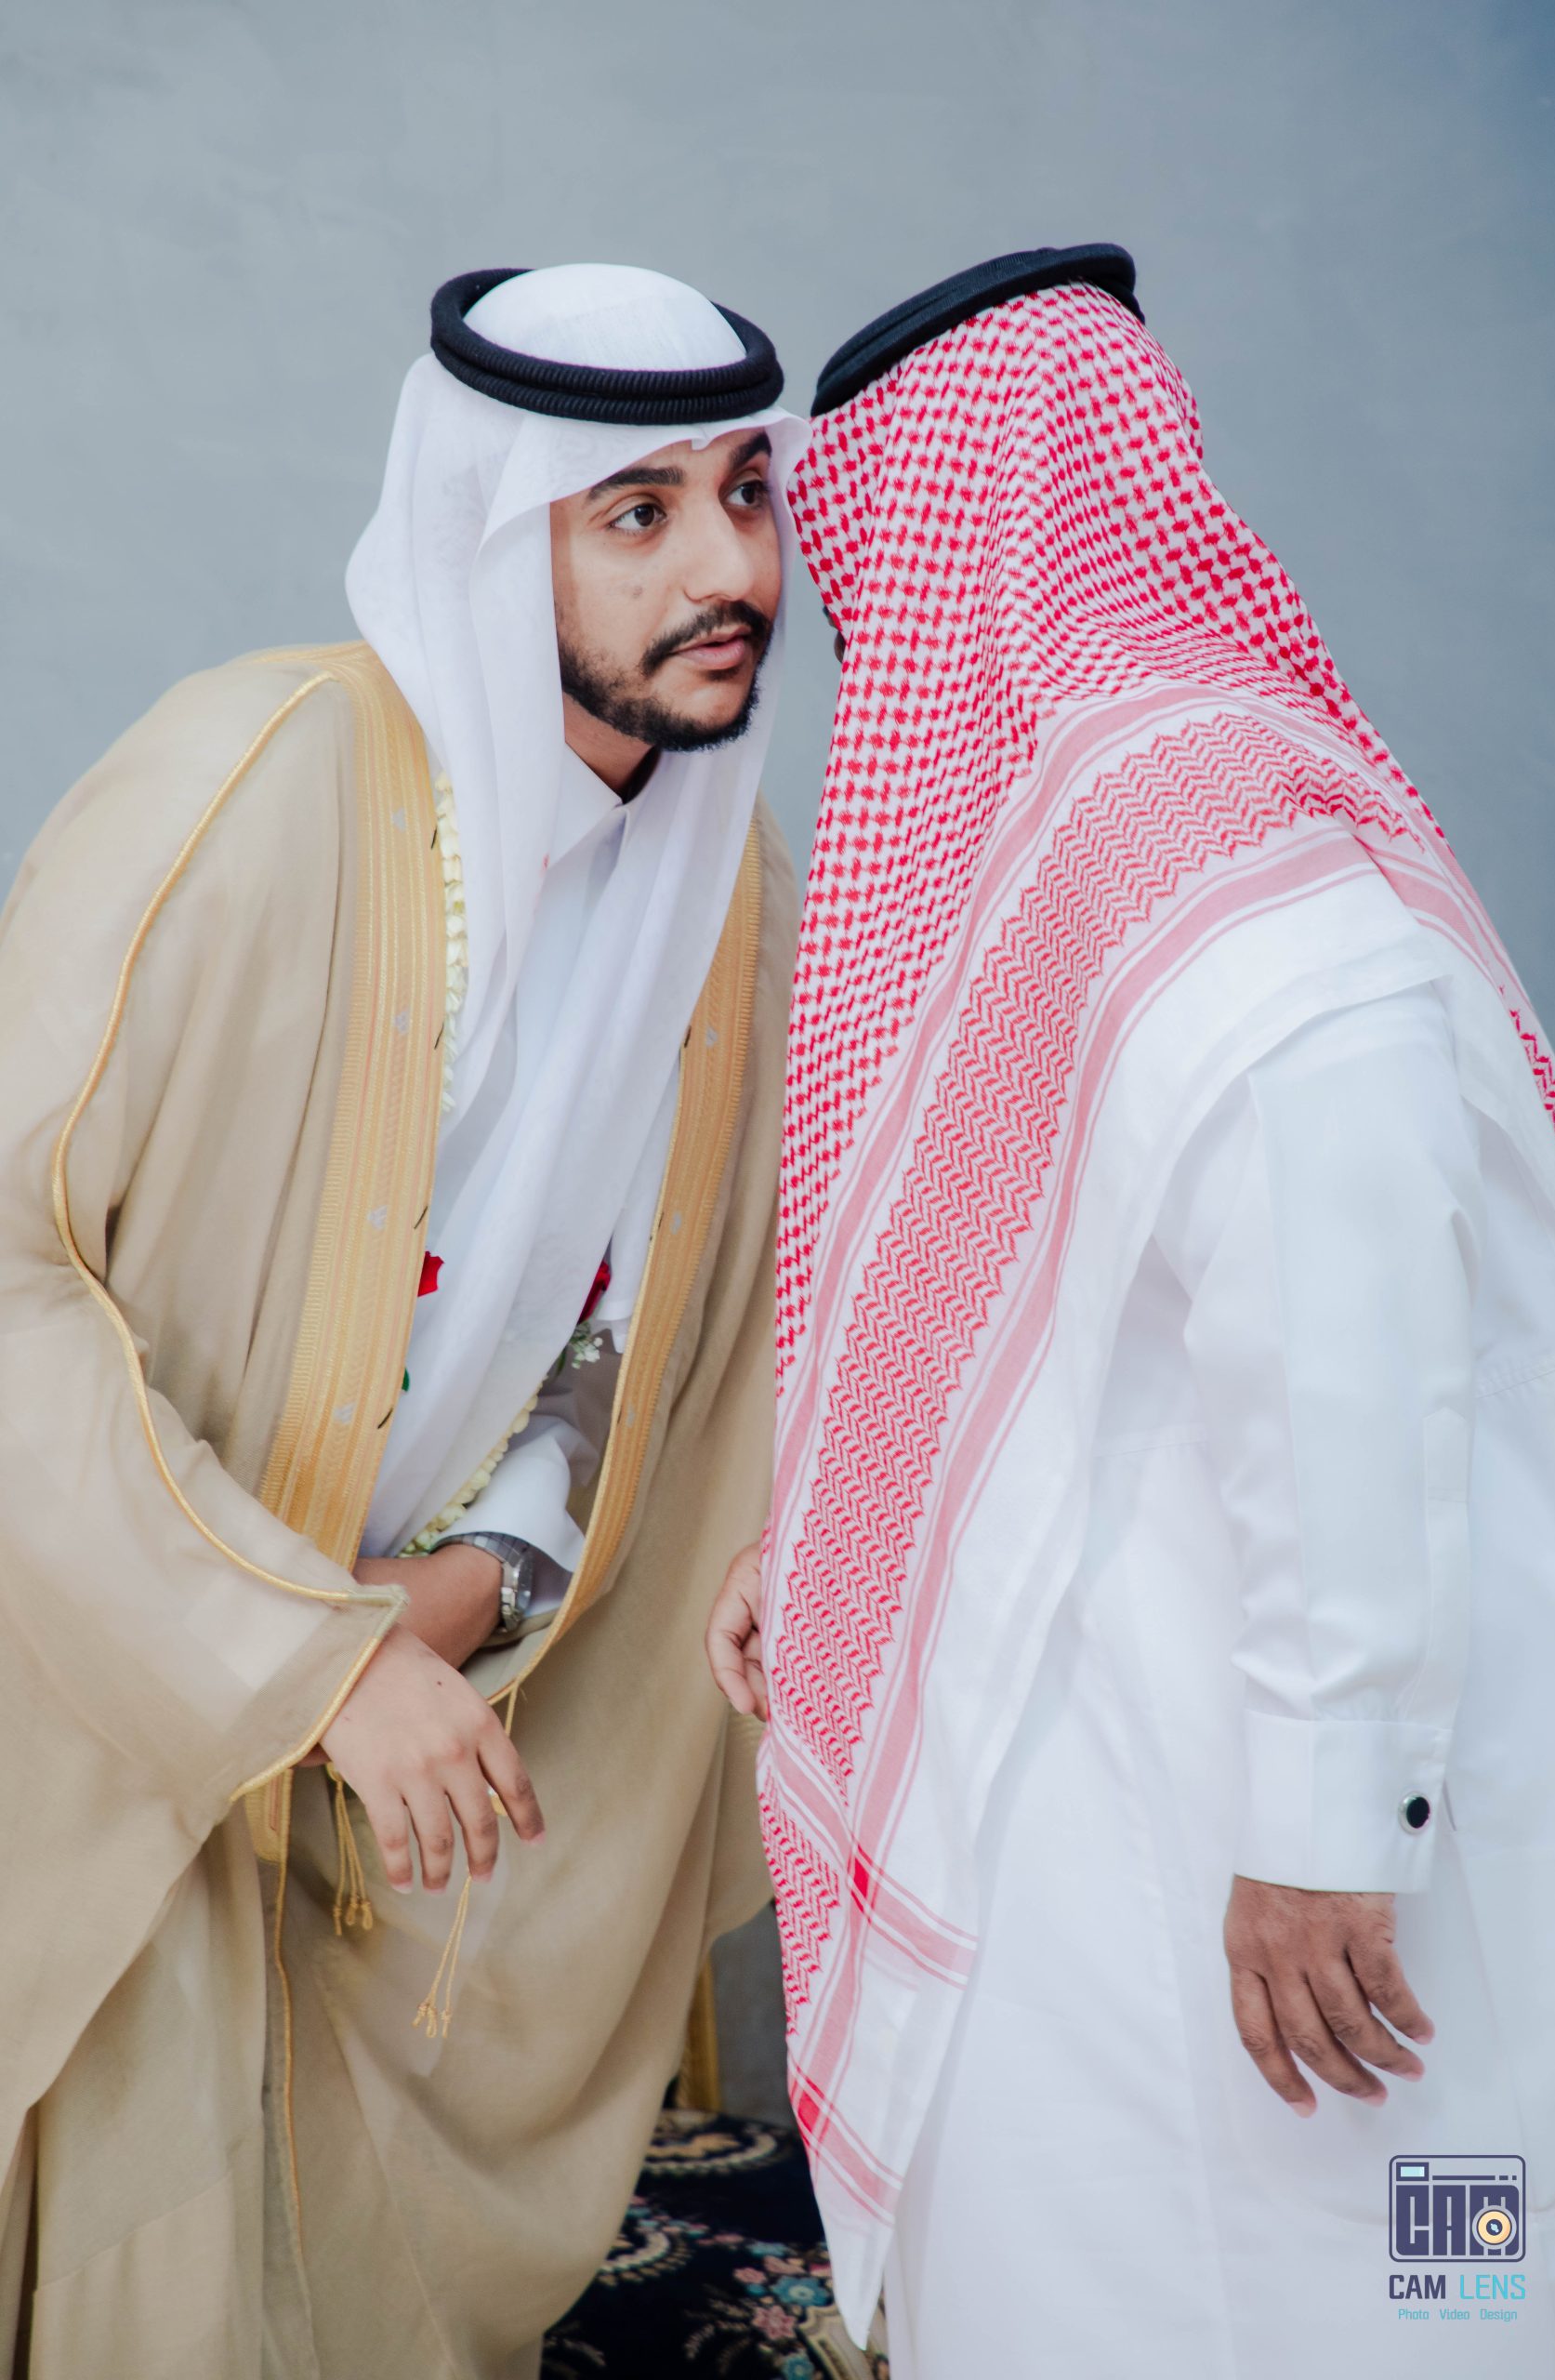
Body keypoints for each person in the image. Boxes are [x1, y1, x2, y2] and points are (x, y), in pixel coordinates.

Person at [707, 247, 1555, 2373]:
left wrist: (1323, 1811)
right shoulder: (1090, 830)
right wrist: (815, 1555)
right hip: (1135, 1775)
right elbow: (1016, 1303)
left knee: (1407, 2277)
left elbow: (1346, 1296)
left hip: (1281, 1837)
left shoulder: (1176, 819)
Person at [0, 261, 803, 2379]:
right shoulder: (242, 790)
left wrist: (446, 1602)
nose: (731, 570)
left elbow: (648, 1355)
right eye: (638, 513)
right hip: (111, 1688)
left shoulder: (726, 895)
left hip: (446, 1696)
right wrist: (302, 1655)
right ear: (488, 528)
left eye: (746, 492)